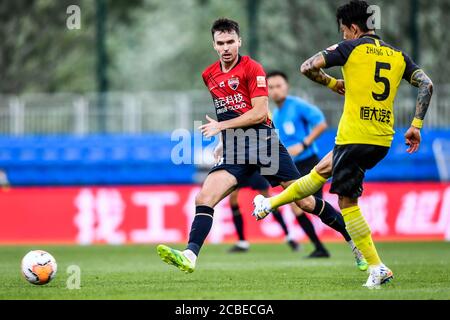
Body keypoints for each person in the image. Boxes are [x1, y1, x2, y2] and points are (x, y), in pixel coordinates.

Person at [157, 17, 365, 274]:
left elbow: (258, 113)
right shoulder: (208, 75)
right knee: (204, 197)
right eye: (220, 43)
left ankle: (353, 241)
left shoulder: (252, 68)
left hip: (264, 144)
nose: (226, 48)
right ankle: (190, 255)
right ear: (214, 45)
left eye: (231, 42)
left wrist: (221, 128)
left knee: (306, 203)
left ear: (239, 41)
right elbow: (228, 112)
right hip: (235, 148)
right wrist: (224, 139)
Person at [253, 0, 433, 288]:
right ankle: (269, 203)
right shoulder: (398, 55)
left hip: (355, 136)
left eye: (343, 30)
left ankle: (377, 267)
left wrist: (331, 83)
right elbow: (427, 85)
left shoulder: (351, 48)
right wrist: (415, 126)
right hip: (381, 138)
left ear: (352, 28)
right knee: (322, 170)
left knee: (347, 201)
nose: (343, 35)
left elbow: (307, 67)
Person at [225, 171, 299, 253]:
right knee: (233, 198)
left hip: (256, 169)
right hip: (242, 169)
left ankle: (289, 236)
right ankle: (242, 242)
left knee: (268, 199)